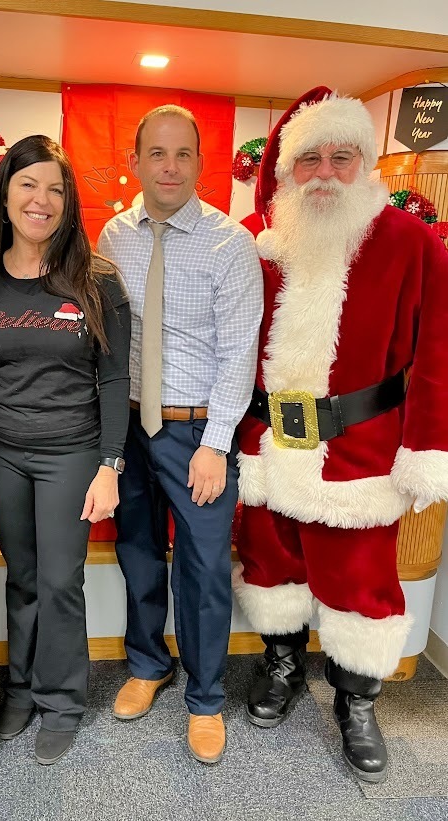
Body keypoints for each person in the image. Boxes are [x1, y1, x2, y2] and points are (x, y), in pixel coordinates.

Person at [234, 86, 448, 783]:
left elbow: (436, 357)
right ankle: (283, 662)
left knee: (359, 583)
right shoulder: (255, 243)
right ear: (284, 170)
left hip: (358, 454)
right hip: (265, 446)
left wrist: (426, 448)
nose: (324, 172)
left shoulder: (410, 242)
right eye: (309, 159)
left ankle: (356, 698)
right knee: (269, 567)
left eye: (341, 157)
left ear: (365, 165)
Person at [98, 105, 263, 764]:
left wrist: (215, 443)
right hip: (128, 427)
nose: (169, 167)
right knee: (138, 551)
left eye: (183, 154)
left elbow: (237, 351)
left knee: (201, 569)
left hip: (196, 430)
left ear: (200, 162)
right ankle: (147, 662)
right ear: (134, 162)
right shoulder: (113, 235)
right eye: (156, 154)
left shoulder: (229, 244)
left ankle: (204, 696)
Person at [0, 135, 130, 765]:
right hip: (1, 449)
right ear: (5, 194)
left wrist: (109, 465)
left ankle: (63, 699)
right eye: (28, 184)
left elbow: (115, 378)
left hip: (72, 451)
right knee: (24, 576)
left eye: (56, 189)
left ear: (68, 204)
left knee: (61, 581)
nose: (42, 200)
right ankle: (22, 692)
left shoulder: (97, 281)